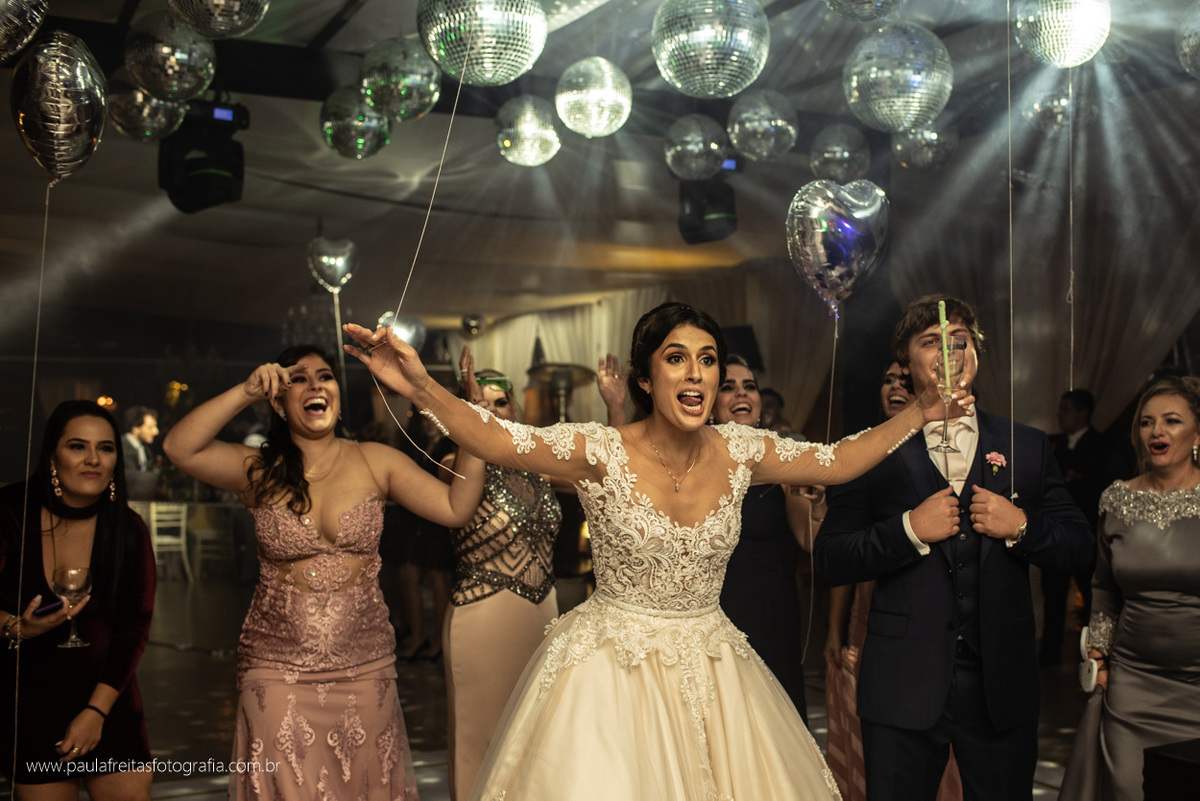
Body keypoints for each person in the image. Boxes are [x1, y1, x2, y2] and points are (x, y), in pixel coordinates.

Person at [344, 300, 971, 800]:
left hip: (716, 670)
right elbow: (499, 439)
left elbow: (837, 461)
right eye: (677, 358)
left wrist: (920, 411)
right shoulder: (602, 451)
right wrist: (420, 386)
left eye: (707, 359)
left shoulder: (741, 449)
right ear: (646, 378)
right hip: (609, 673)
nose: (696, 373)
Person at [162, 344, 485, 800]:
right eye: (298, 378)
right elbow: (179, 448)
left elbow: (456, 507)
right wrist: (246, 391)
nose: (315, 384)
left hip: (365, 668)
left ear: (337, 394)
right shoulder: (258, 471)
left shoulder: (376, 460)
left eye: (325, 376)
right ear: (279, 401)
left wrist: (472, 419)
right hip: (276, 670)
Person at [814, 294, 1094, 801]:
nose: (948, 352)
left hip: (1001, 686)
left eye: (959, 340)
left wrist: (1021, 526)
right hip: (902, 684)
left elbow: (1080, 548)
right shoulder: (872, 450)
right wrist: (908, 530)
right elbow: (831, 558)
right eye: (931, 342)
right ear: (905, 363)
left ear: (976, 354)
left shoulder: (1026, 446)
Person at [0, 400, 156, 800]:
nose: (93, 460)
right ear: (52, 455)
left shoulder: (128, 528)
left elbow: (133, 630)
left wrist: (96, 712)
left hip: (110, 700)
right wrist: (16, 627)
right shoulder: (10, 512)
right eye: (77, 446)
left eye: (105, 448)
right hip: (32, 703)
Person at [823, 362, 963, 801]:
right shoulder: (862, 453)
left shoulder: (951, 449)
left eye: (905, 381)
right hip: (874, 600)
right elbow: (842, 558)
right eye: (888, 380)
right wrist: (834, 628)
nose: (897, 387)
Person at [1059, 375, 1200, 801]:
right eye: (1146, 422)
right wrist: (1098, 657)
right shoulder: (1116, 500)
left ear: (1197, 433)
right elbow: (1104, 589)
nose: (1157, 431)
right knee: (1127, 786)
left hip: (1197, 684)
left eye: (1172, 420)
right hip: (1133, 682)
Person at [442, 347, 562, 799]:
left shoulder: (540, 469)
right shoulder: (452, 464)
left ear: (515, 410)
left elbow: (608, 477)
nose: (491, 412)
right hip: (483, 616)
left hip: (543, 615)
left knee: (538, 741)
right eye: (481, 403)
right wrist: (470, 422)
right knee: (480, 739)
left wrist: (615, 410)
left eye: (500, 403)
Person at [711, 354, 813, 721]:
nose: (742, 393)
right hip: (714, 614)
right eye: (728, 387)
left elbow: (809, 538)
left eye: (749, 386)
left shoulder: (780, 460)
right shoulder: (694, 464)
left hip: (771, 613)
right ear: (710, 404)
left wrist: (815, 501)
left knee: (775, 721)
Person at [121, 406, 159, 501]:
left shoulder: (146, 451)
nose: (156, 432)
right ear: (135, 428)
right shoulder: (121, 449)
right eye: (150, 427)